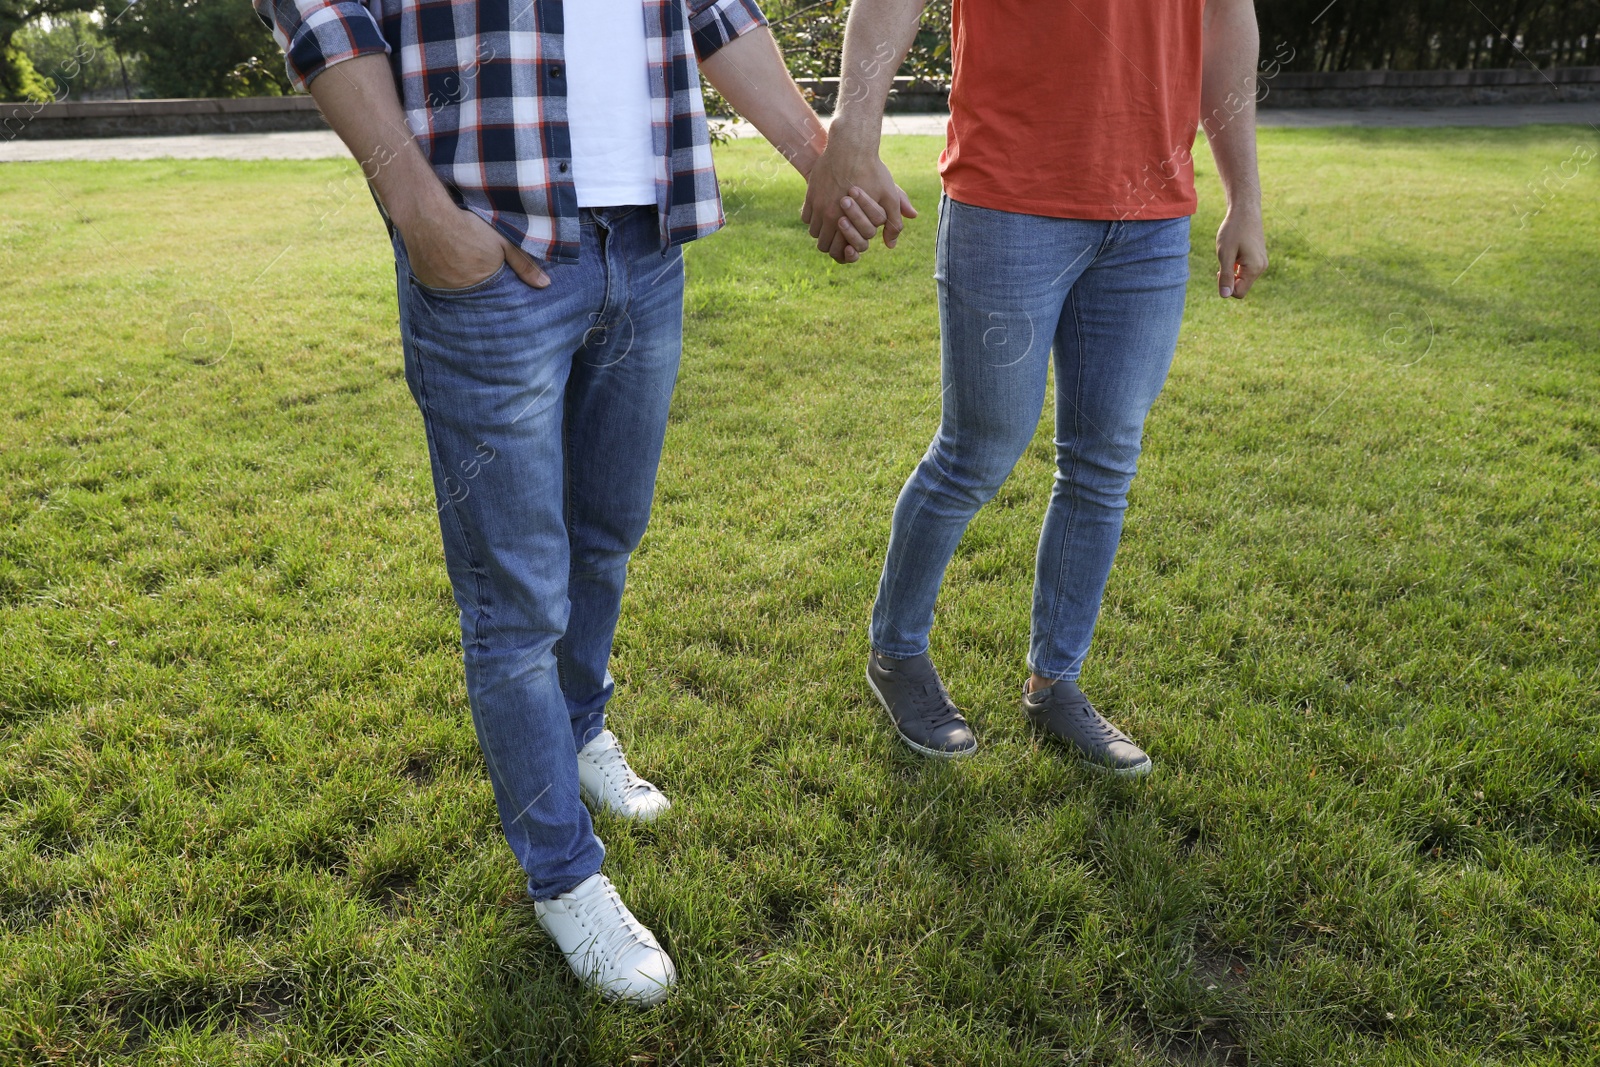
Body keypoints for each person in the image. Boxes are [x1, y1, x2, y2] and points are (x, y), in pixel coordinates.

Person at [254, 0, 899, 1005]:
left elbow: (714, 12)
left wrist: (820, 154)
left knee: (606, 535)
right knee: (515, 605)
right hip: (490, 245)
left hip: (644, 243)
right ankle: (563, 873)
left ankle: (582, 723)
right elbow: (321, 13)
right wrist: (419, 213)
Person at [803, 0, 1269, 771]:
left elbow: (1227, 21)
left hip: (1151, 217)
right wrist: (854, 130)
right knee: (976, 452)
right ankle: (896, 652)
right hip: (1008, 199)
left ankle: (1056, 682)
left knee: (1104, 461)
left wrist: (1243, 199)